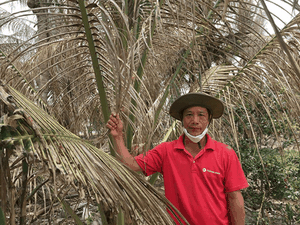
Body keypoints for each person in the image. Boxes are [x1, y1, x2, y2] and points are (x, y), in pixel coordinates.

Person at [106, 92, 249, 225]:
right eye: (189, 115)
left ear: (209, 119)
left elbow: (234, 197)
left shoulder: (225, 153)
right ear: (181, 119)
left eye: (201, 115)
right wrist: (118, 136)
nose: (195, 120)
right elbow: (130, 165)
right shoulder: (166, 151)